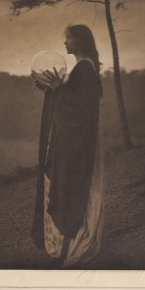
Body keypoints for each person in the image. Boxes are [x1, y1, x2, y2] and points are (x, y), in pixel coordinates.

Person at [31, 24, 105, 268]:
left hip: (81, 143)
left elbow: (77, 109)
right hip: (82, 140)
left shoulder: (84, 68)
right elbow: (70, 99)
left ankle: (76, 245)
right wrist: (52, 90)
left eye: (69, 38)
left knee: (77, 189)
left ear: (80, 40)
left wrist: (57, 90)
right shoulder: (83, 67)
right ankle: (67, 245)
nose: (65, 43)